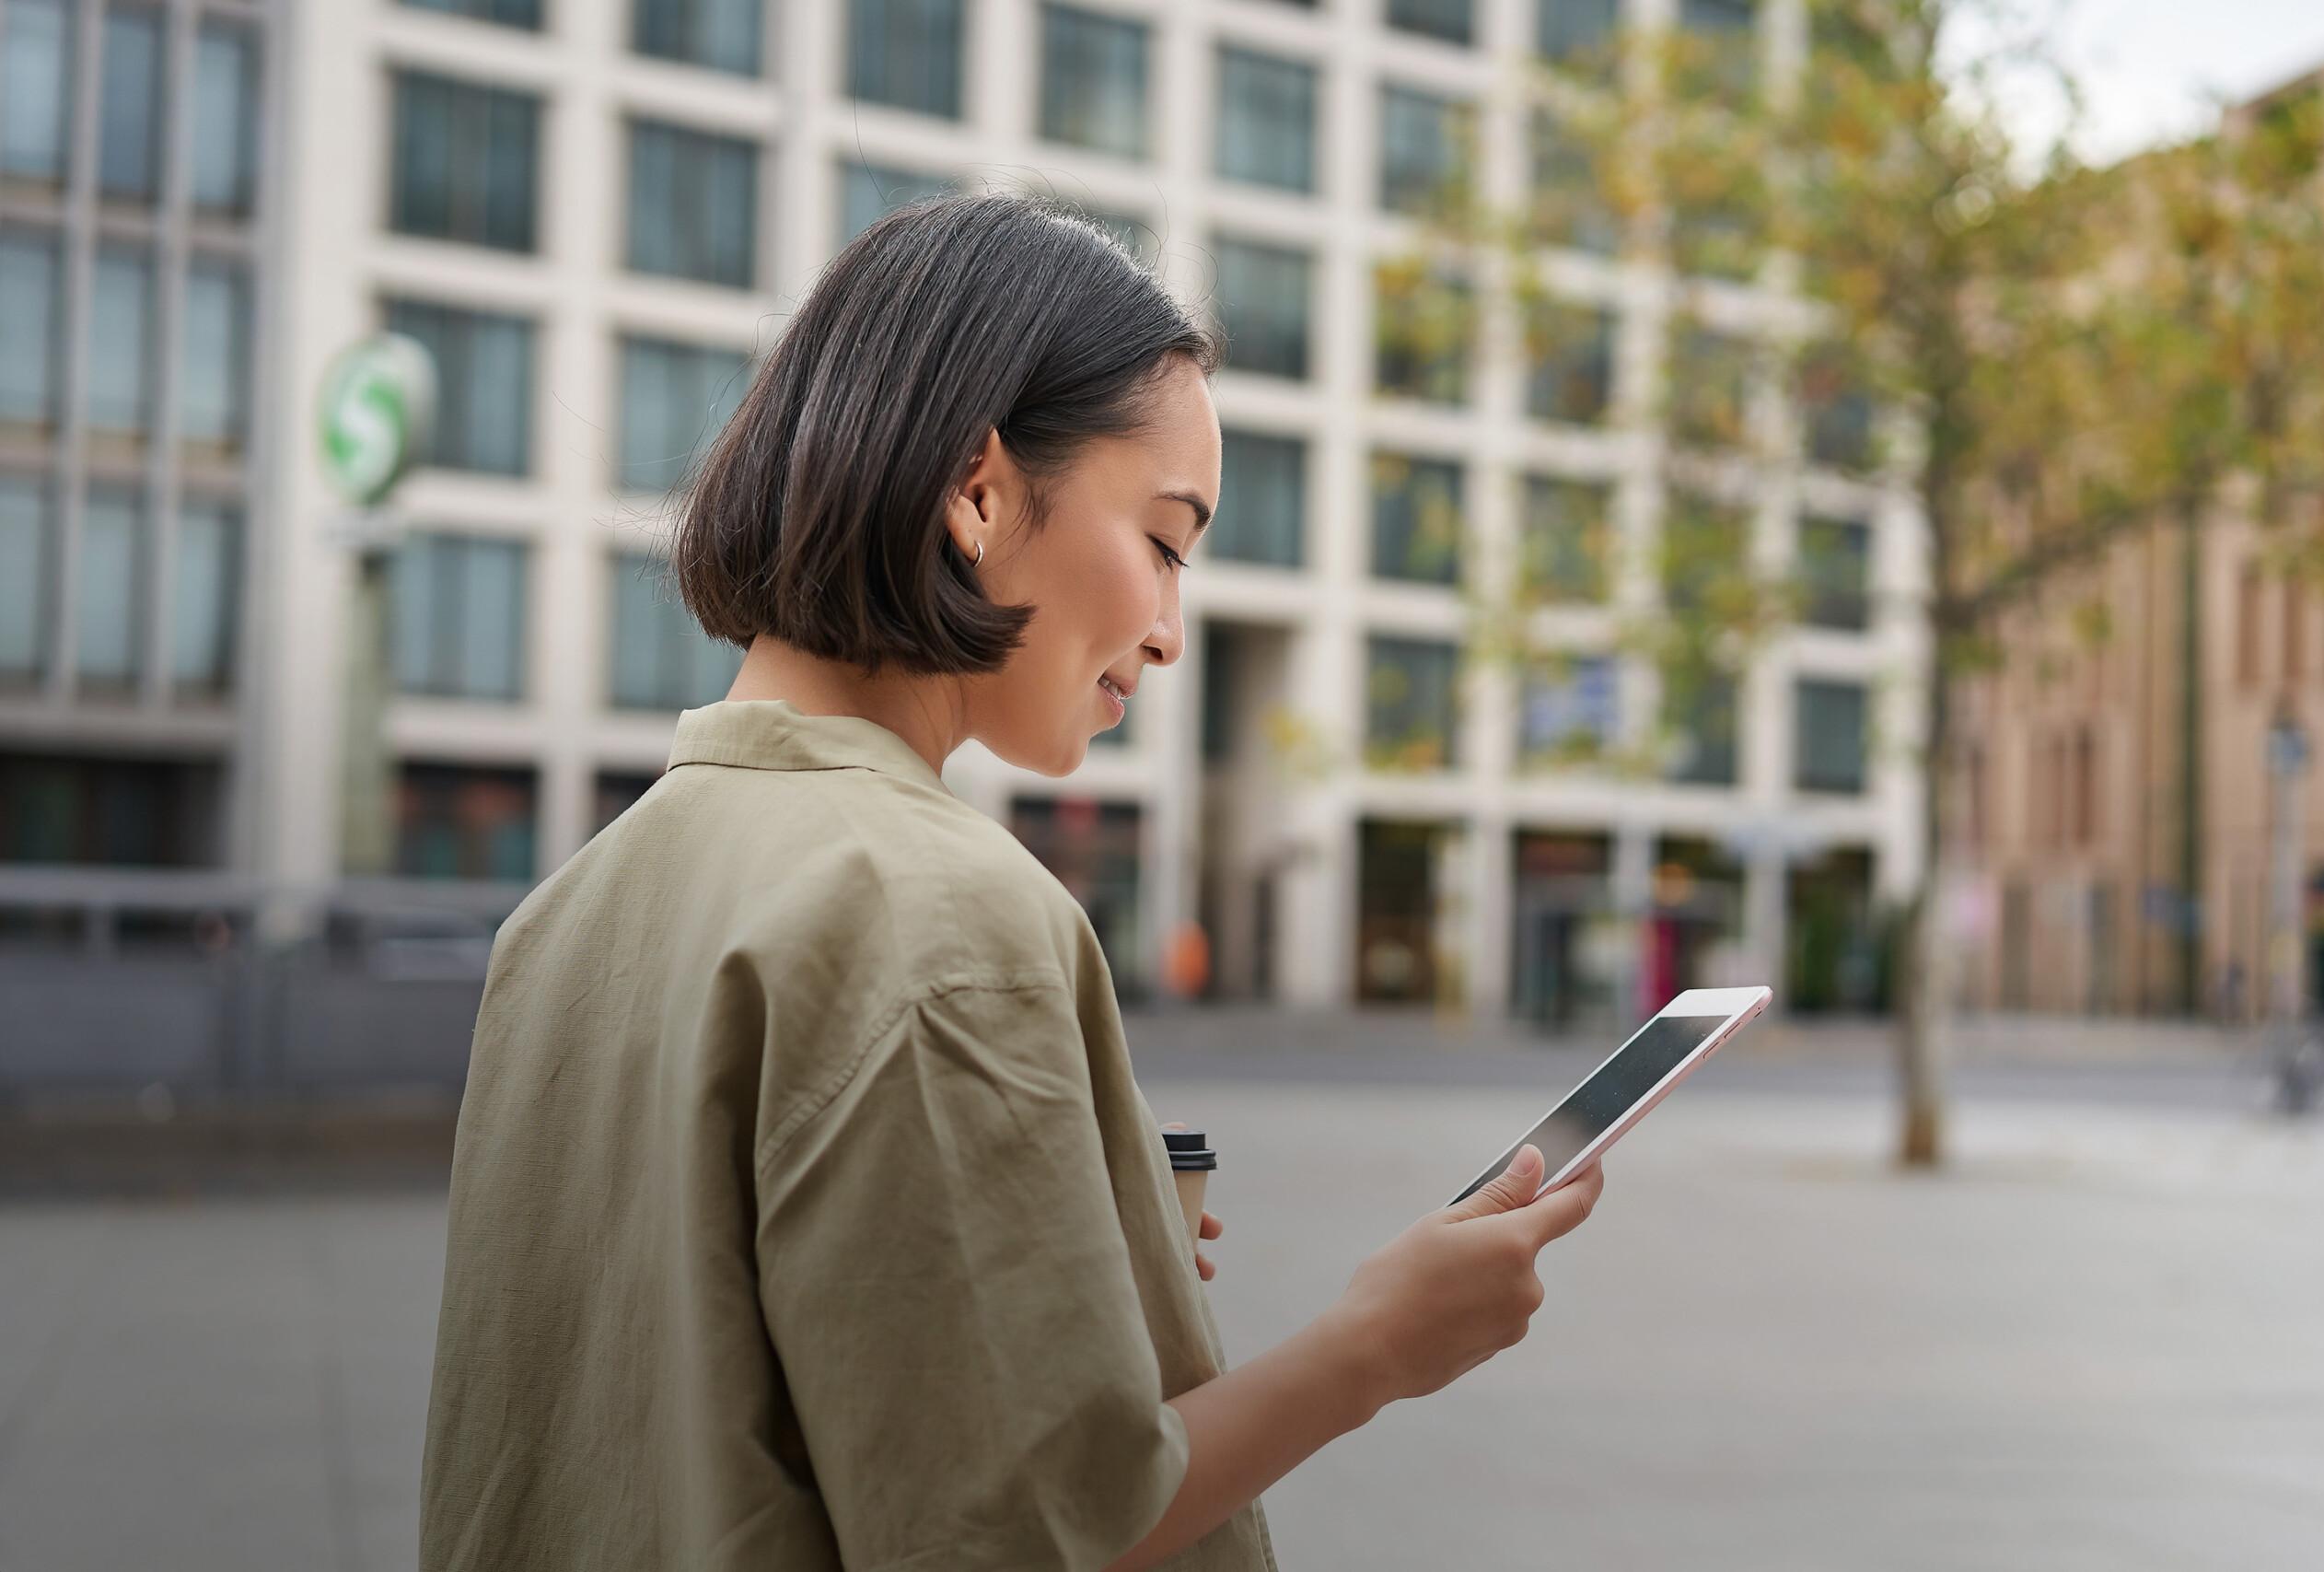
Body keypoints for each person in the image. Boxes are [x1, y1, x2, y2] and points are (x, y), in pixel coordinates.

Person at [417, 192, 1606, 1572]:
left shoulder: (563, 917)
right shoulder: (936, 913)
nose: (1168, 634)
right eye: (1164, 541)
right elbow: (1029, 1536)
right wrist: (1372, 1349)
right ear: (978, 492)